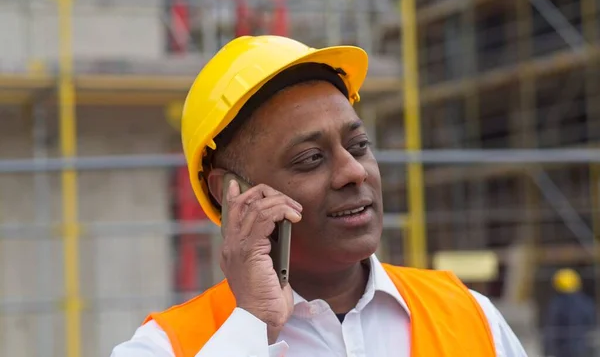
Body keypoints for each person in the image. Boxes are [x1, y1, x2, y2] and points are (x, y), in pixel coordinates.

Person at [111, 35, 528, 357]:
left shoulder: (471, 316)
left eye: (359, 145)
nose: (353, 171)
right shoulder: (169, 345)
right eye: (310, 158)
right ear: (232, 193)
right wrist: (253, 325)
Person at [543, 268, 596, 357]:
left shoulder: (557, 304)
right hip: (583, 349)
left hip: (562, 351)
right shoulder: (586, 302)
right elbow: (591, 323)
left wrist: (547, 350)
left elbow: (552, 328)